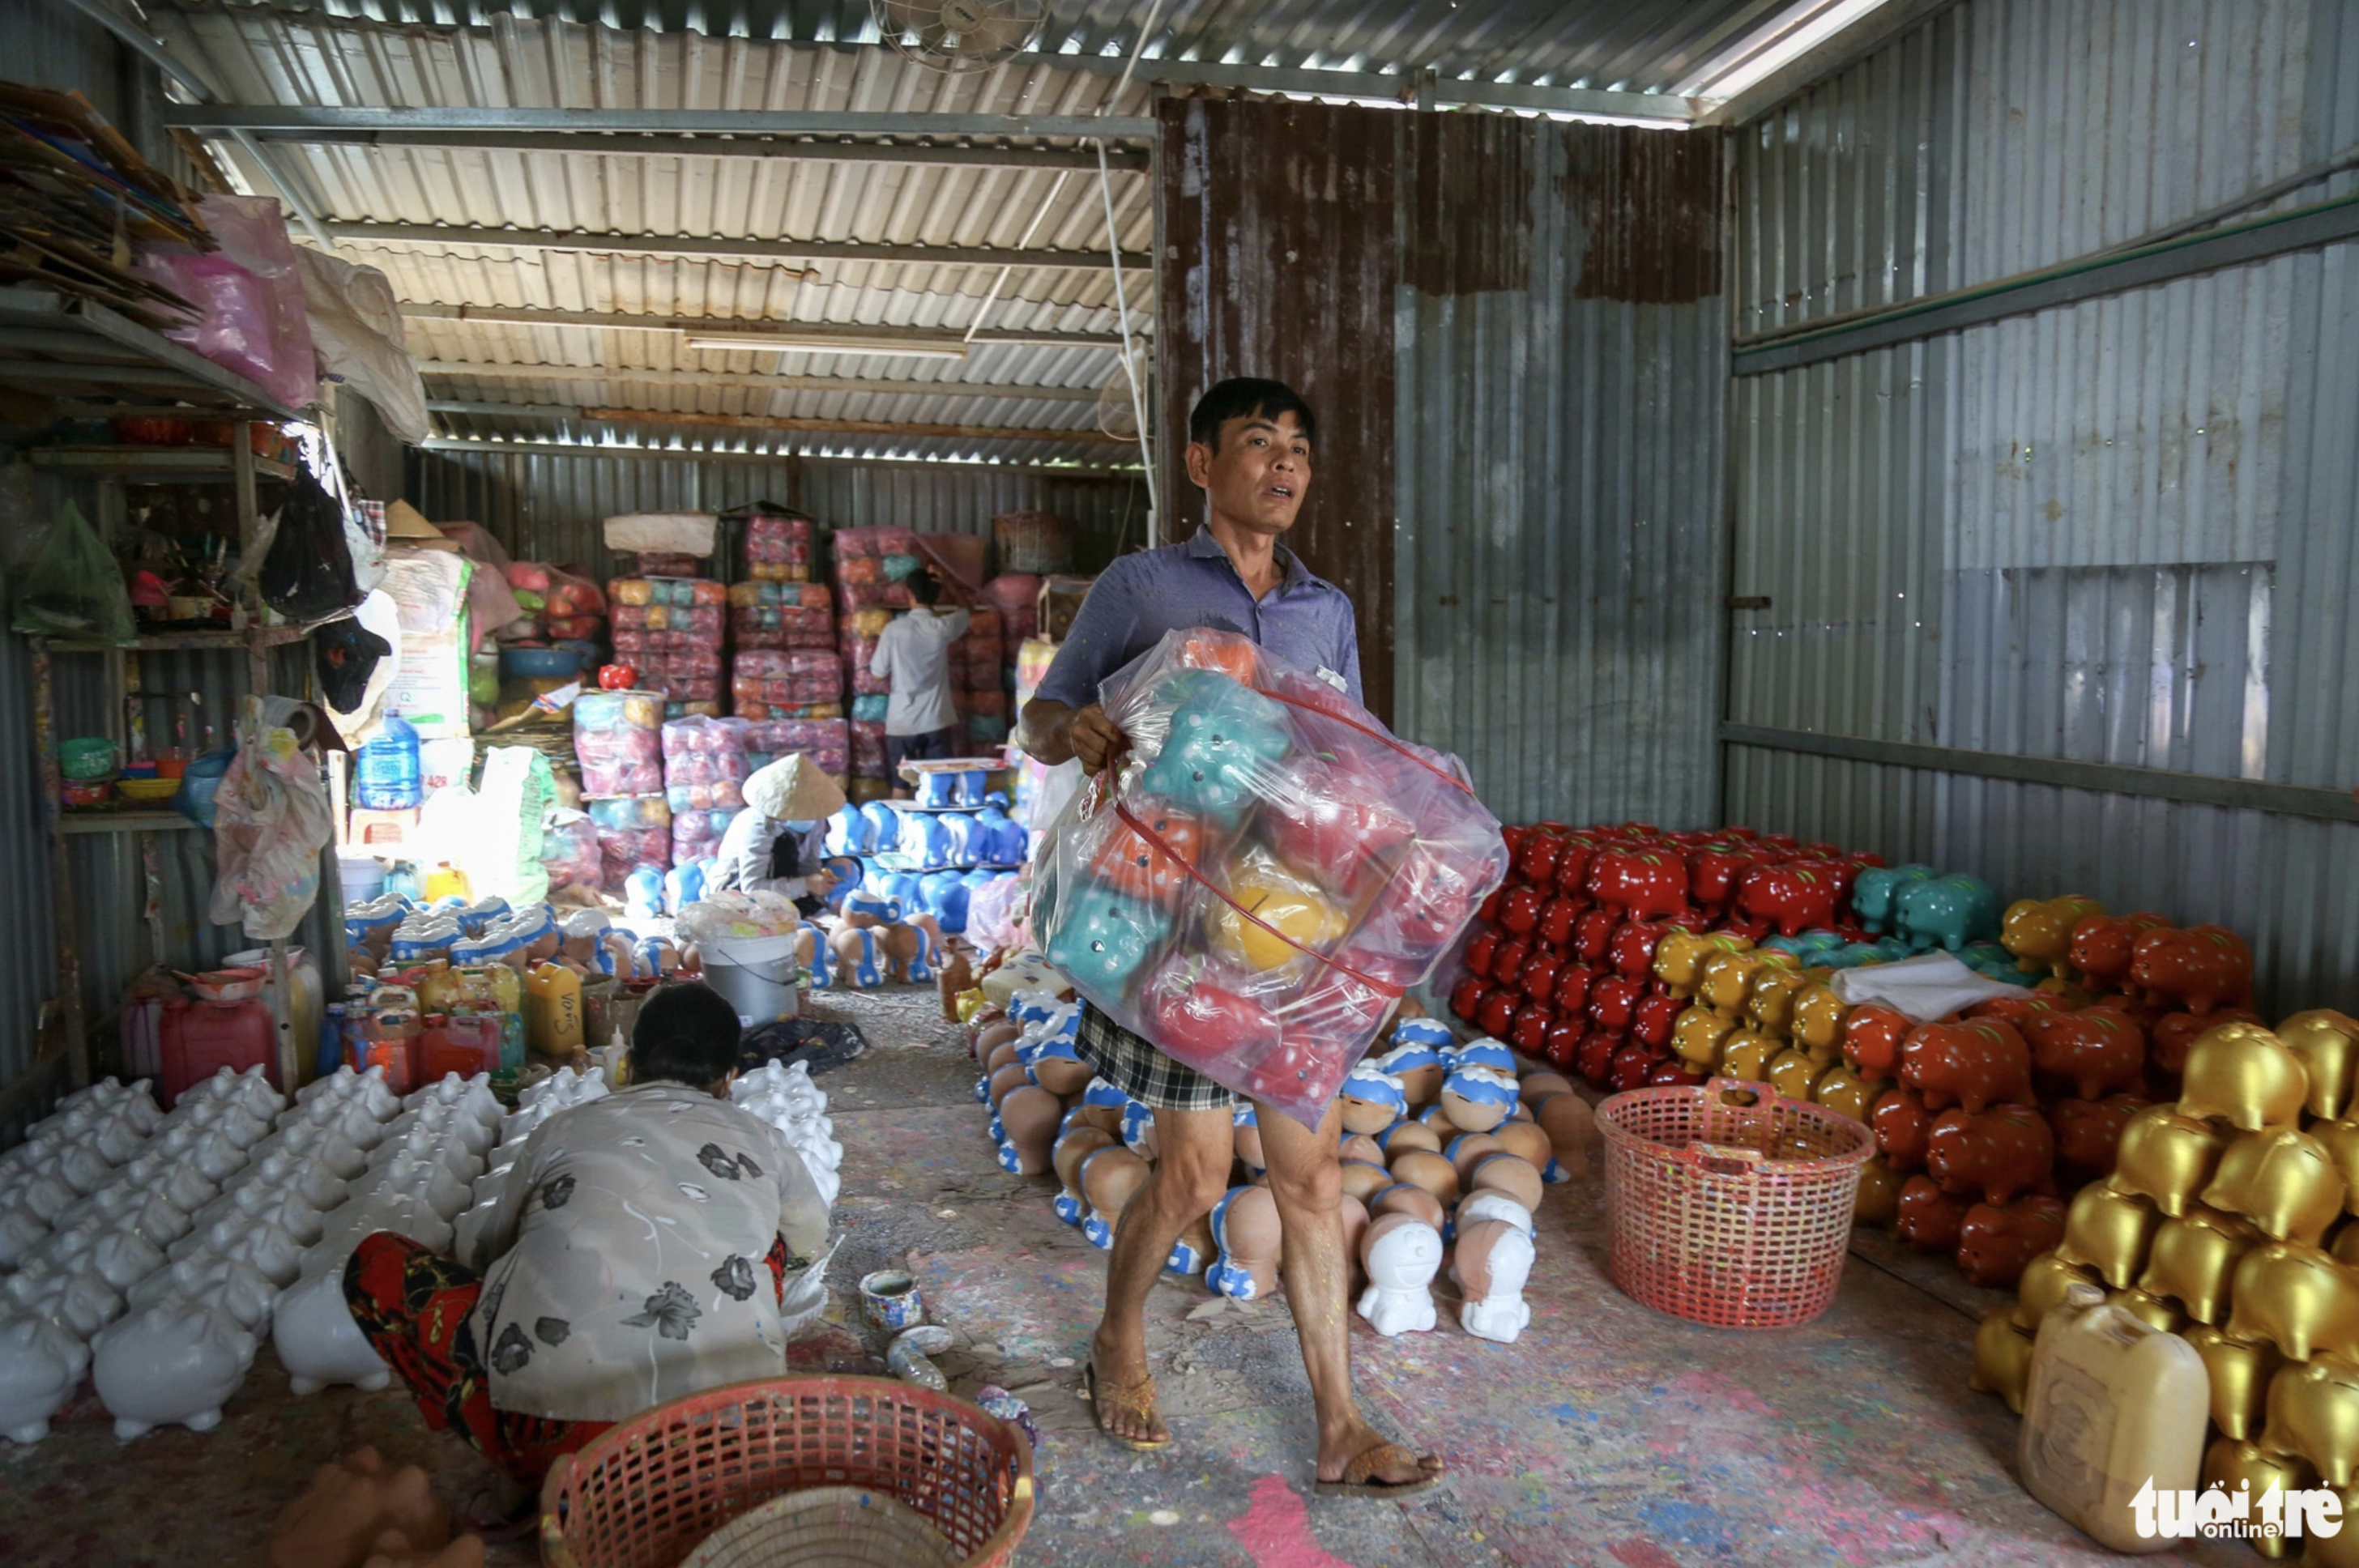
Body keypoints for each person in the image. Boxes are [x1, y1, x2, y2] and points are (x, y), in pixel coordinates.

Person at [1016, 377, 1441, 1498]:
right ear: (1203, 464)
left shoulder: (1325, 610)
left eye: (1298, 445)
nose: (1285, 464)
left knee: (1311, 1183)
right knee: (1196, 1178)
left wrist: (1384, 919)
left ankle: (1342, 1428)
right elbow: (1041, 714)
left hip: (1292, 923)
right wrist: (1079, 727)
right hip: (1172, 929)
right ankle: (1117, 1337)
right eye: (1259, 443)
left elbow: (1350, 755)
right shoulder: (1141, 586)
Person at [343, 982, 830, 1502]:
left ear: (629, 1063)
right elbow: (810, 1243)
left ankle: (521, 1464)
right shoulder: (760, 1139)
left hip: (562, 1452)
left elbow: (487, 1252)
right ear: (729, 1077)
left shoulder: (562, 1129)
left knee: (377, 1261)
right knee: (770, 1243)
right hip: (725, 1452)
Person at [708, 751, 848, 917]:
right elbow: (752, 888)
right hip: (742, 890)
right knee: (783, 846)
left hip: (786, 882)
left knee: (848, 866)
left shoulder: (816, 818)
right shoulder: (758, 826)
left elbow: (809, 860)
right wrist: (805, 884)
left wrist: (817, 881)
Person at [869, 568, 970, 793]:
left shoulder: (893, 630)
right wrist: (950, 584)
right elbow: (967, 610)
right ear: (936, 595)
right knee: (938, 789)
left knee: (900, 787)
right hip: (936, 720)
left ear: (909, 594)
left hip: (901, 722)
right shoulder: (942, 628)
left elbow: (877, 672)